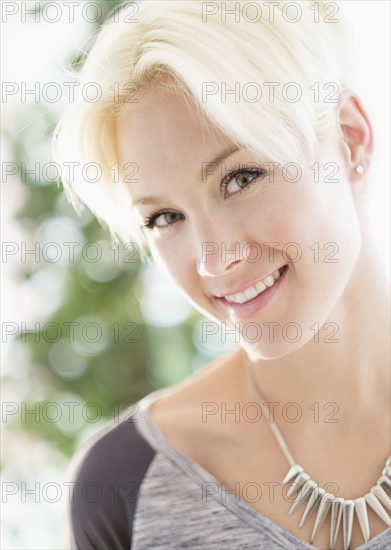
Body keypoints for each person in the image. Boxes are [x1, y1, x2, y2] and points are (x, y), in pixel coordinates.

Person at [54, 1, 390, 549]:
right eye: (165, 218)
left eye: (240, 178)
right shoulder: (124, 486)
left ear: (350, 140)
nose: (213, 260)